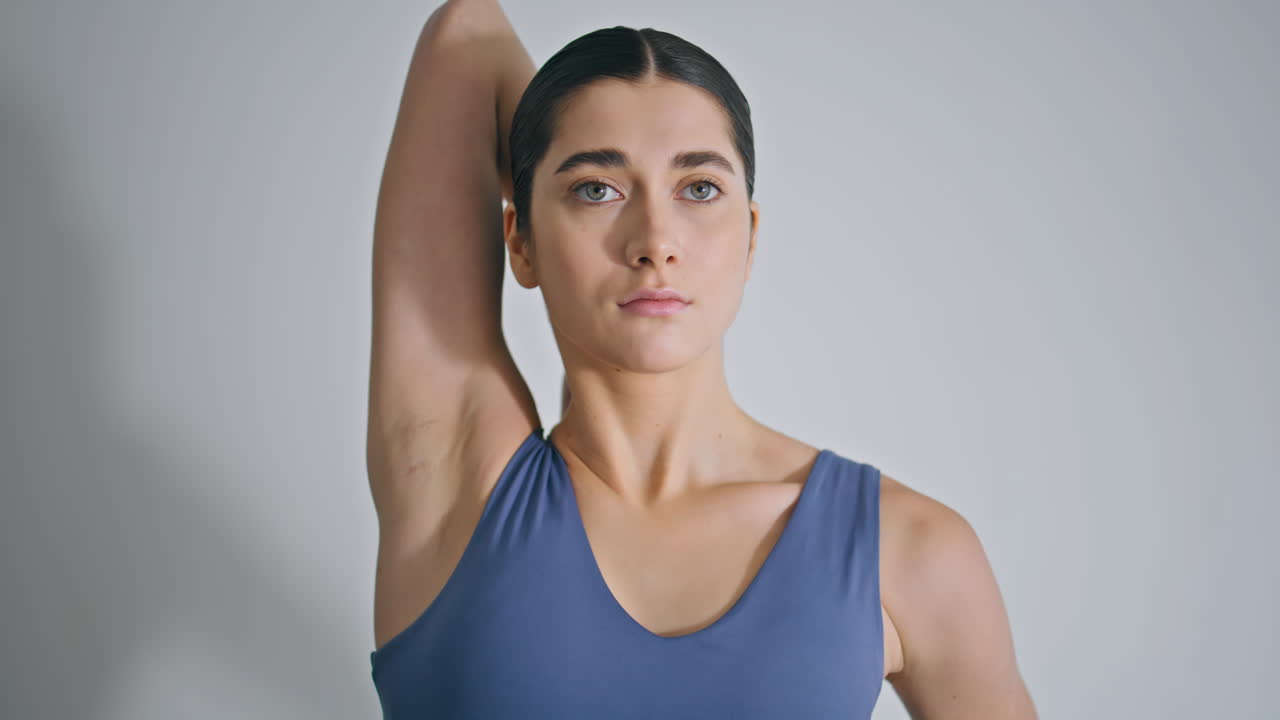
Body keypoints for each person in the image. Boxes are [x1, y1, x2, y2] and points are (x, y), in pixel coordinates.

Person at [365, 0, 1038, 717]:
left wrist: (561, 168)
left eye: (699, 188)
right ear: (520, 241)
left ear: (749, 236)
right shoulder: (455, 482)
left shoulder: (908, 551)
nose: (656, 238)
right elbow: (466, 33)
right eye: (597, 188)